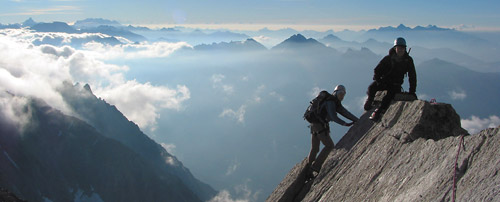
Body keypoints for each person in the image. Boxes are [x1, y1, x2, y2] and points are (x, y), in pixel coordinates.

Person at [307, 85, 359, 178]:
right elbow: (333, 116)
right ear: (335, 93)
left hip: (314, 125)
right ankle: (315, 167)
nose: (341, 96)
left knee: (315, 148)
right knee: (329, 145)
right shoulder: (331, 102)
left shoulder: (333, 102)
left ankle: (307, 168)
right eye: (340, 94)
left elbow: (345, 112)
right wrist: (344, 123)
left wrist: (357, 120)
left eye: (343, 94)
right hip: (320, 126)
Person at [363, 37, 417, 121]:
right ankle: (370, 101)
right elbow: (377, 70)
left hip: (395, 85)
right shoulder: (388, 59)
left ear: (405, 48)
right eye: (399, 48)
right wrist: (378, 80)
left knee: (388, 97)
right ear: (395, 48)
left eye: (402, 48)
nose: (401, 50)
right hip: (384, 82)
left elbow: (412, 76)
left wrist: (412, 91)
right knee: (372, 87)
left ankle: (378, 112)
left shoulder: (408, 60)